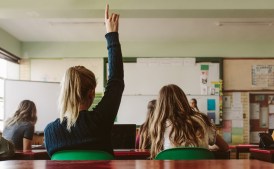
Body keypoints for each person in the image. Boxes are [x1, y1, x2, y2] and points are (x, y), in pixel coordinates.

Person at [44, 4, 124, 157]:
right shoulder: (100, 121)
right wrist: (111, 34)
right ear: (91, 92)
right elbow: (116, 81)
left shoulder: (50, 131)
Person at [149, 84, 229, 159]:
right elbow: (225, 147)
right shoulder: (201, 120)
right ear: (184, 99)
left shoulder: (159, 125)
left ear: (160, 105)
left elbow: (157, 155)